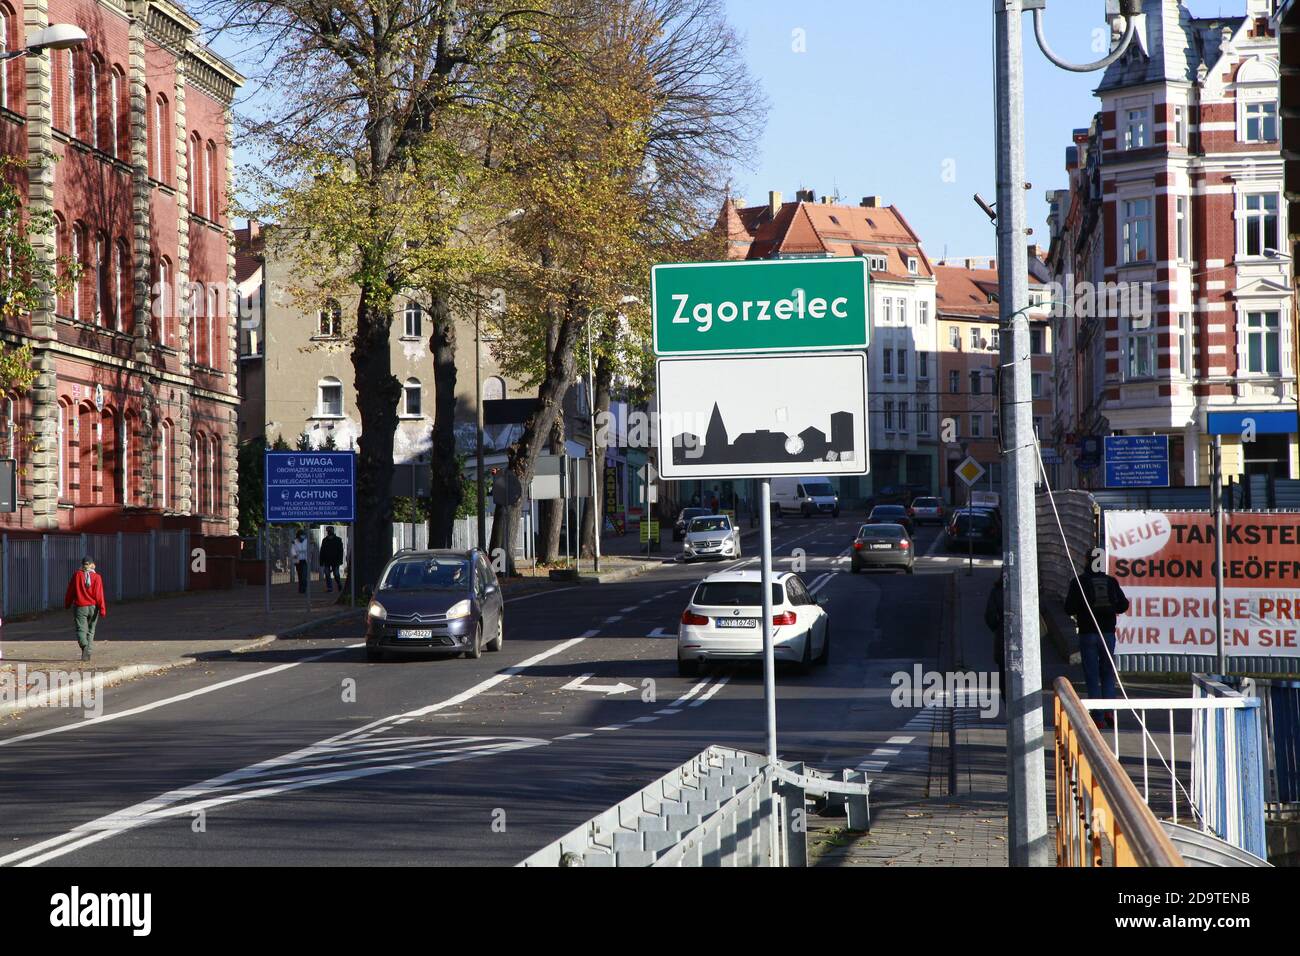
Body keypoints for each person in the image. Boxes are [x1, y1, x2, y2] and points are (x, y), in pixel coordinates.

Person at [1064, 561, 1131, 723]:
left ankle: (1098, 716)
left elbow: (1069, 608)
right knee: (1108, 672)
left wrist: (1083, 609)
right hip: (1107, 633)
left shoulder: (1078, 582)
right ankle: (1109, 710)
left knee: (1092, 674)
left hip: (1088, 634)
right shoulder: (1111, 581)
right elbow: (1123, 605)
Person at [64, 557, 108, 663]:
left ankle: (84, 646)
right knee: (91, 630)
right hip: (93, 607)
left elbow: (71, 591)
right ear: (92, 565)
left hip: (80, 607)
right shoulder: (97, 577)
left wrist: (67, 603)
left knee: (81, 629)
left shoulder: (77, 575)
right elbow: (99, 595)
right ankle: (88, 651)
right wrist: (102, 609)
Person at [983, 578, 1006, 701]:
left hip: (1003, 640)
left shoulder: (997, 591)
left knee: (1004, 678)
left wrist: (999, 628)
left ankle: (1008, 708)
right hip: (1027, 645)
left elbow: (990, 616)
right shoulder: (1028, 586)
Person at [319, 526, 344, 593]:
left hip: (335, 561)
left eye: (330, 530)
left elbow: (341, 551)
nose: (329, 532)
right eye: (328, 531)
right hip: (326, 560)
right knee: (327, 573)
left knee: (336, 574)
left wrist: (340, 560)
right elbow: (322, 551)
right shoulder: (325, 540)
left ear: (333, 531)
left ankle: (339, 584)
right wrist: (321, 561)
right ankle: (329, 587)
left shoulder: (338, 540)